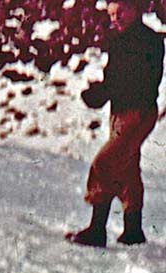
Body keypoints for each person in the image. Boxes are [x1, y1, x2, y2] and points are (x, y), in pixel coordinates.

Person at [67, 0, 164, 247]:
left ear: (135, 9)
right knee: (127, 165)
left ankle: (97, 230)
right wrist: (103, 91)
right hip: (121, 111)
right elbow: (117, 79)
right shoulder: (121, 41)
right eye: (111, 14)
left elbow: (140, 81)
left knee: (105, 164)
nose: (115, 18)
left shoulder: (148, 41)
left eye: (120, 12)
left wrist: (103, 92)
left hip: (137, 112)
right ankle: (133, 230)